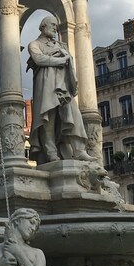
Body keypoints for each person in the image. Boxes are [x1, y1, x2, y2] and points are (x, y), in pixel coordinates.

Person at [27, 15, 95, 164]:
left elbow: (69, 60)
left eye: (56, 26)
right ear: (43, 26)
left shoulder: (60, 45)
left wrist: (65, 57)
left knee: (73, 114)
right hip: (45, 84)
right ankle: (51, 152)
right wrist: (61, 59)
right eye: (52, 25)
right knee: (47, 117)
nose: (55, 28)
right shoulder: (34, 44)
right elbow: (39, 59)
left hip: (62, 85)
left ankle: (79, 150)